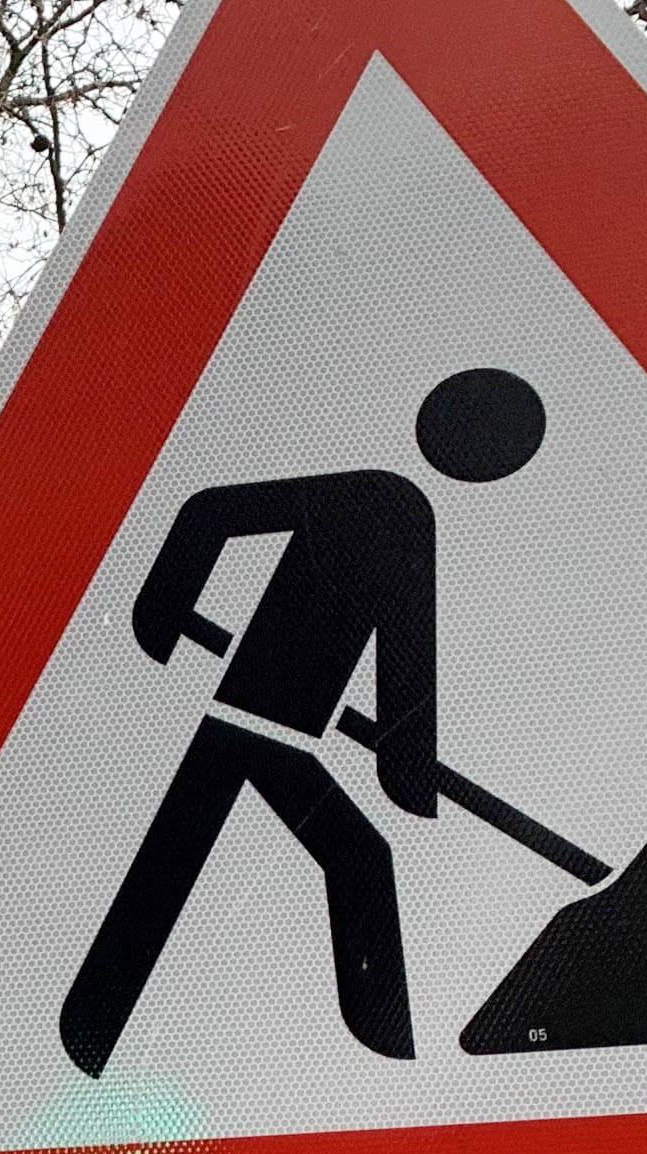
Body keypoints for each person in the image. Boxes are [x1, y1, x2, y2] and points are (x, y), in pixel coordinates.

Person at [58, 366, 550, 1078]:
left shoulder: (389, 504)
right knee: (333, 861)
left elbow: (402, 668)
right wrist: (161, 611)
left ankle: (92, 1027)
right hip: (253, 723)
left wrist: (161, 613)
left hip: (269, 732)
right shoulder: (391, 507)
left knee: (216, 859)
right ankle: (391, 1061)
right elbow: (214, 516)